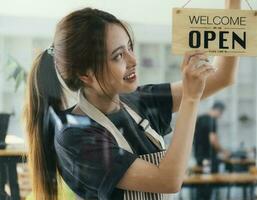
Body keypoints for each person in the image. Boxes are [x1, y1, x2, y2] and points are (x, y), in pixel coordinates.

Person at [23, 1, 240, 200]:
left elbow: (222, 77)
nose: (133, 60)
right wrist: (191, 98)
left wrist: (233, 4)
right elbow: (169, 180)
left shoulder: (139, 101)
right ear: (85, 75)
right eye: (118, 55)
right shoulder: (75, 135)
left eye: (129, 47)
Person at [193, 101, 230, 200]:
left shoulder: (200, 119)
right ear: (218, 111)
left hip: (199, 157)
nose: (220, 117)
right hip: (209, 159)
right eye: (221, 114)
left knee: (201, 185)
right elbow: (213, 140)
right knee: (208, 185)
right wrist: (223, 151)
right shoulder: (211, 120)